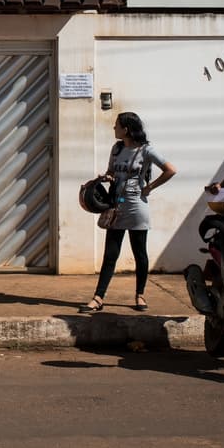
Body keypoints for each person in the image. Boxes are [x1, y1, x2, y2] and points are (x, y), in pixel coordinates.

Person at [81, 112, 177, 313]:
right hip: (117, 207)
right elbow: (112, 171)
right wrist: (107, 177)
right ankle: (98, 297)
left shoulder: (146, 150)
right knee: (110, 255)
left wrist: (149, 187)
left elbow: (170, 170)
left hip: (136, 208)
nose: (114, 129)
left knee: (139, 254)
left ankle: (140, 295)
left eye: (116, 126)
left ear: (126, 129)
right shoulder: (116, 149)